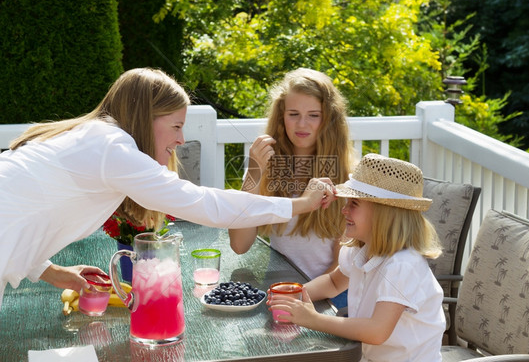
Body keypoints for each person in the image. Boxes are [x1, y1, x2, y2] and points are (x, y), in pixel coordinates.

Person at [0, 67, 336, 308]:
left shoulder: (96, 140)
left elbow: (25, 210)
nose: (181, 138)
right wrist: (299, 204)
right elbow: (206, 204)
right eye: (175, 125)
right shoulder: (112, 150)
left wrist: (51, 271)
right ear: (145, 117)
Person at [268, 153, 446, 362]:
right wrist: (292, 296)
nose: (343, 210)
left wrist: (312, 319)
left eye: (353, 203)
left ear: (384, 214)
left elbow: (376, 331)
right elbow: (334, 283)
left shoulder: (404, 264)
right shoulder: (362, 251)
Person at [227, 68, 354, 307]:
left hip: (334, 296)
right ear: (281, 117)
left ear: (328, 119)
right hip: (282, 290)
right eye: (293, 114)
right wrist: (254, 170)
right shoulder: (265, 168)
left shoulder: (347, 177)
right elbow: (239, 245)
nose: (302, 124)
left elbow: (341, 268)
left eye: (313, 115)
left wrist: (297, 296)